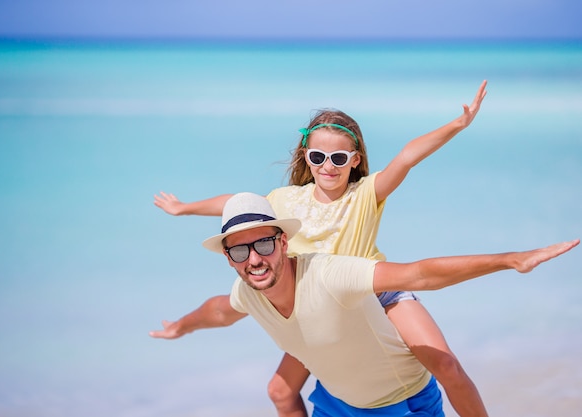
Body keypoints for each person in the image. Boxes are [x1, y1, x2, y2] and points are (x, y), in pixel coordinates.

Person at [154, 82, 490, 416]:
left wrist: (458, 124)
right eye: (318, 156)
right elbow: (235, 203)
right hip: (319, 307)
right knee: (280, 391)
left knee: (447, 366)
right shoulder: (285, 200)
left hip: (377, 294)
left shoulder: (365, 194)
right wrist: (184, 208)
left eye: (339, 158)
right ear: (306, 157)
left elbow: (407, 157)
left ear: (355, 160)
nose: (328, 166)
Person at [150, 192, 578, 417]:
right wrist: (181, 328)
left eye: (262, 243)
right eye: (240, 251)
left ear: (282, 240)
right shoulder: (247, 293)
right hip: (335, 405)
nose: (254, 259)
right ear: (228, 258)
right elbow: (217, 311)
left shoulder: (330, 273)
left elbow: (419, 274)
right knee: (280, 391)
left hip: (403, 403)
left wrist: (512, 260)